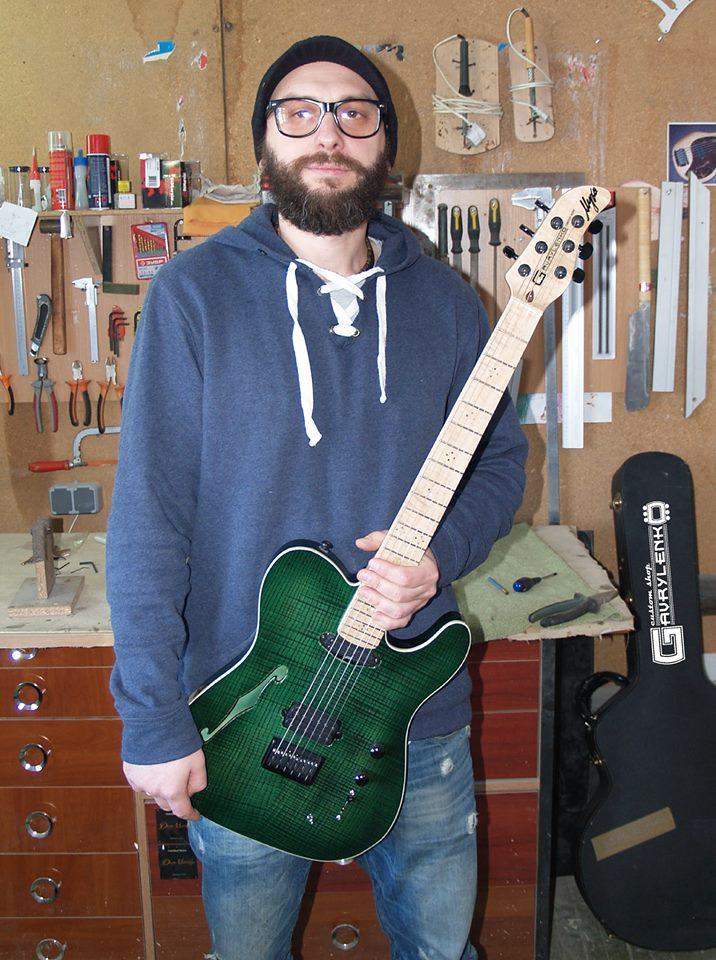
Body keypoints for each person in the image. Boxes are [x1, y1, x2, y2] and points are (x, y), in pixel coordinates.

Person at [106, 34, 529, 960]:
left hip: (414, 714)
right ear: (266, 141)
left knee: (442, 950)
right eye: (298, 113)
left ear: (386, 143)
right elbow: (147, 524)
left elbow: (500, 464)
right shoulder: (192, 297)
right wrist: (151, 719)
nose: (327, 134)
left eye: (354, 114)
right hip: (247, 711)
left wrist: (440, 558)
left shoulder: (450, 304)